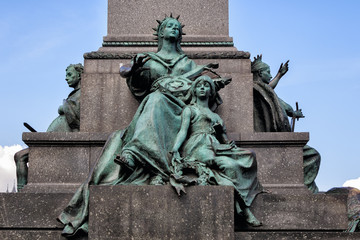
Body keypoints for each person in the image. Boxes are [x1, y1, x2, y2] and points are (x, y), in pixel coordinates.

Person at [58, 15, 229, 237]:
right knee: (155, 100)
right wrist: (133, 71)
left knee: (156, 100)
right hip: (157, 104)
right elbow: (129, 75)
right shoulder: (149, 59)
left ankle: (138, 155)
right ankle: (135, 153)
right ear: (159, 33)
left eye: (177, 27)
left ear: (180, 35)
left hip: (183, 107)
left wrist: (210, 81)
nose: (173, 29)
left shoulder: (188, 63)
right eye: (169, 26)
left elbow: (199, 88)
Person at [170, 75, 263, 226]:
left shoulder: (216, 116)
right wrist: (175, 149)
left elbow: (225, 140)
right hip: (197, 145)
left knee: (242, 160)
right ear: (194, 90)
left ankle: (241, 203)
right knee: (210, 159)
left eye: (206, 85)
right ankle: (246, 211)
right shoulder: (190, 110)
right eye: (199, 85)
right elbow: (182, 131)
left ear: (211, 92)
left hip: (217, 146)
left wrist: (222, 135)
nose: (202, 87)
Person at [251, 55, 321, 193]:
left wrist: (292, 113)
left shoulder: (265, 91)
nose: (270, 75)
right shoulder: (256, 89)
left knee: (312, 155)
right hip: (270, 144)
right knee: (313, 155)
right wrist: (279, 75)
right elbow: (266, 88)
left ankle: (302, 186)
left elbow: (281, 102)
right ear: (260, 73)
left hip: (277, 142)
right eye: (268, 72)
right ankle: (300, 188)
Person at [14, 63, 83, 190]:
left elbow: (77, 116)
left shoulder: (84, 93)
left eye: (69, 75)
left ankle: (22, 191)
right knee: (19, 156)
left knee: (20, 157)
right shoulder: (75, 94)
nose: (66, 78)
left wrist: (64, 107)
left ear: (79, 75)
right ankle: (23, 191)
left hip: (65, 142)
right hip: (55, 139)